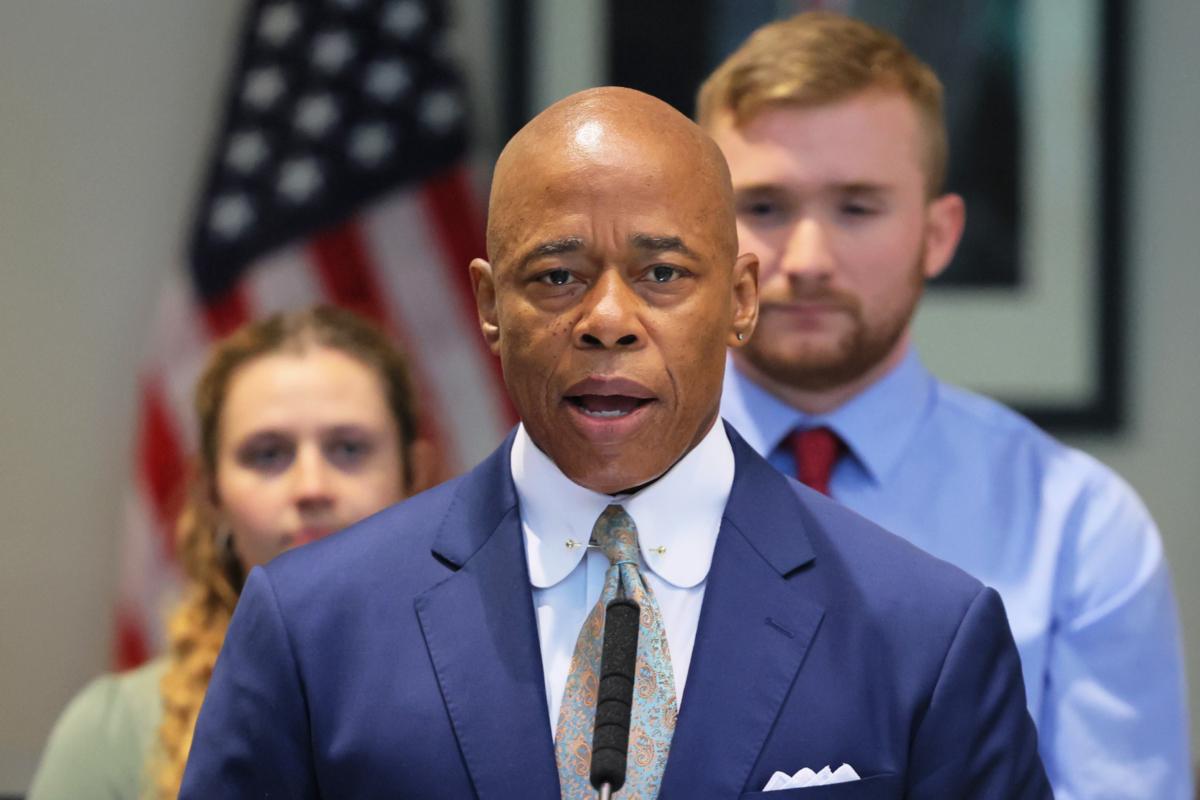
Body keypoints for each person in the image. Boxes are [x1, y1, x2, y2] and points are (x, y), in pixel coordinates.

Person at [180, 86, 1051, 798]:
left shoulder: (926, 636)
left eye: (662, 274)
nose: (606, 321)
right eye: (556, 277)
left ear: (742, 299)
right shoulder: (309, 628)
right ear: (488, 306)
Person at [699, 12, 1190, 798]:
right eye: (763, 207)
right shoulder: (593, 493)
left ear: (939, 233)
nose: (807, 260)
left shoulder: (1079, 530)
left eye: (857, 208)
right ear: (701, 231)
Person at [28, 305, 431, 799]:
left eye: (348, 449)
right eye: (268, 454)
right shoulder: (115, 733)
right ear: (213, 494)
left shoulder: (508, 696)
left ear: (416, 477)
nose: (311, 487)